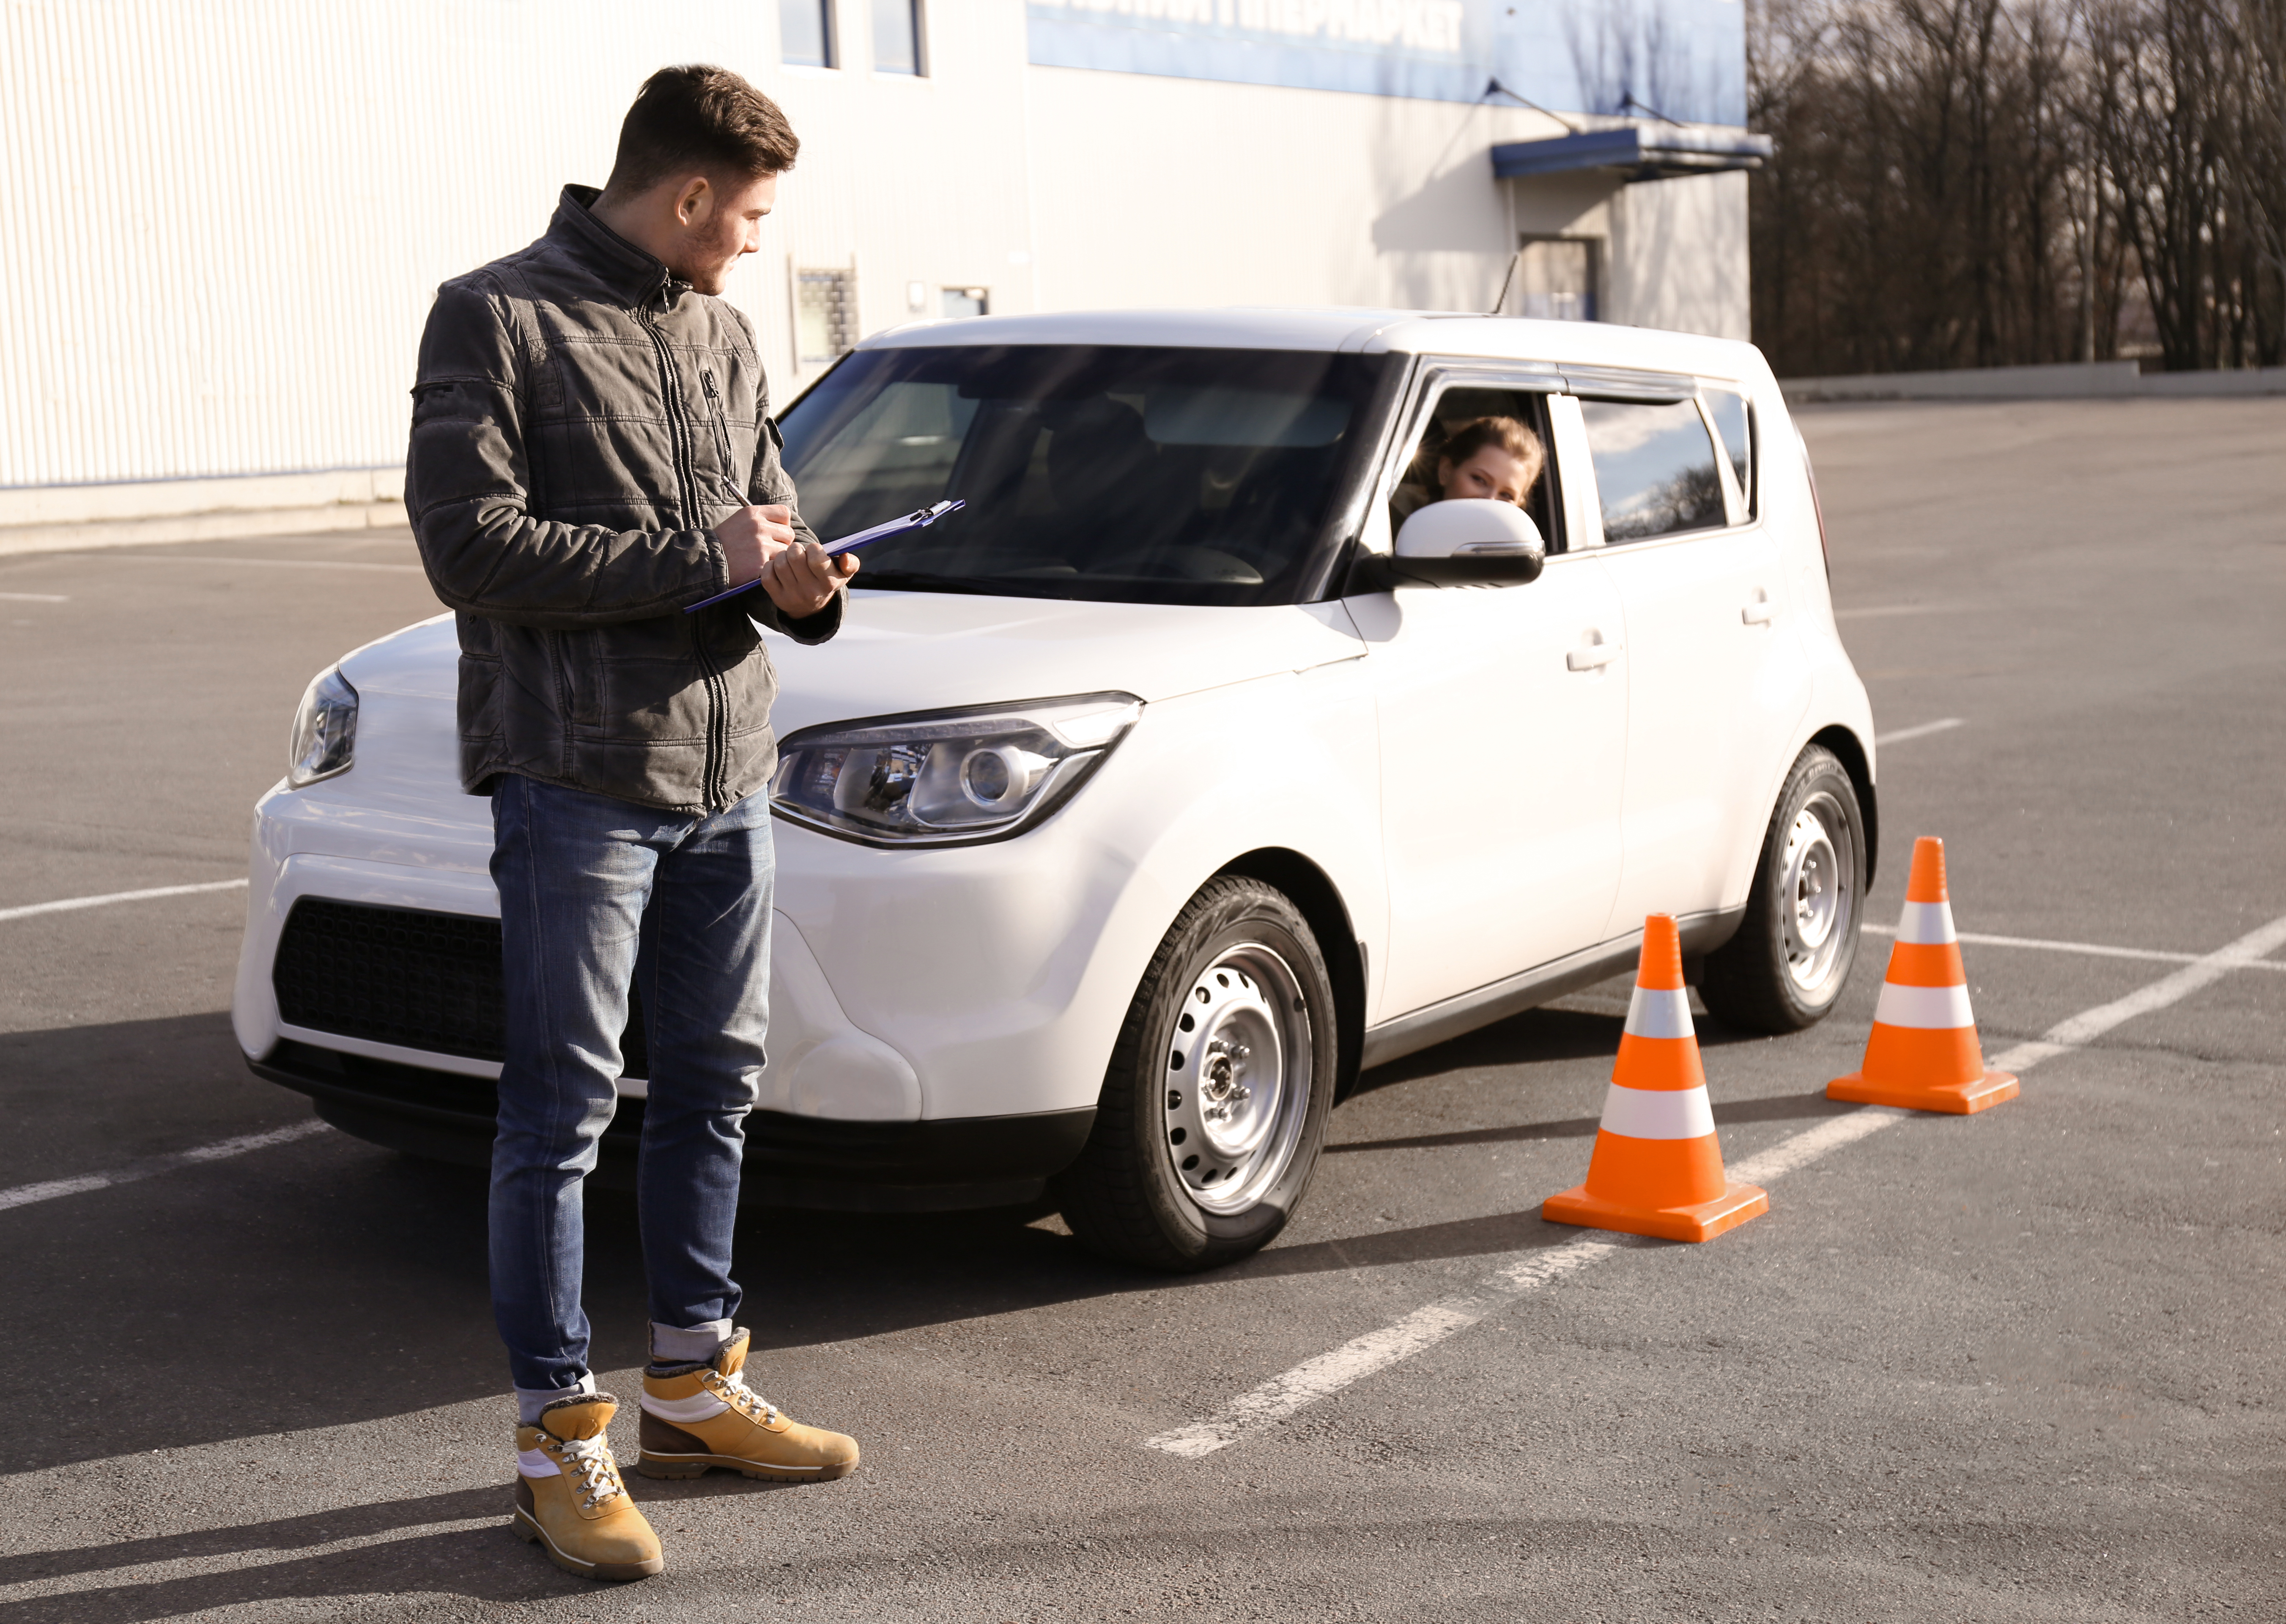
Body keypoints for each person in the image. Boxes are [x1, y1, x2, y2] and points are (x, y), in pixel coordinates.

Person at [406, 64, 860, 1583]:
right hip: (576, 779)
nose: (750, 243)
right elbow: (470, 546)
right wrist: (699, 557)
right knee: (560, 1113)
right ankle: (555, 1437)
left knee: (717, 1084)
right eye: (746, 216)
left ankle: (693, 1384)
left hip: (734, 775)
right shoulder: (494, 318)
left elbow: (762, 524)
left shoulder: (725, 336)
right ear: (684, 197)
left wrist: (795, 581)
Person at [1387, 414, 1547, 529]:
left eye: (1506, 496)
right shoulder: (1387, 519)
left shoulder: (1514, 559)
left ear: (1519, 506)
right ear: (1446, 471)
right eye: (1479, 479)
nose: (1490, 500)